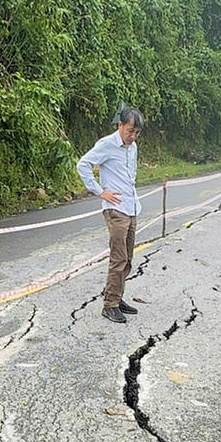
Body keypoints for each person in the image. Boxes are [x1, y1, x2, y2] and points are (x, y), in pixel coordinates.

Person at [77, 106, 144, 324]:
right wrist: (100, 190)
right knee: (119, 258)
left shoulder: (132, 148)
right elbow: (83, 164)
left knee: (129, 258)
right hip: (115, 210)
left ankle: (118, 296)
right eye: (130, 131)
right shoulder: (107, 144)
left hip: (131, 207)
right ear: (121, 125)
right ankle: (110, 305)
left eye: (137, 133)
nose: (133, 136)